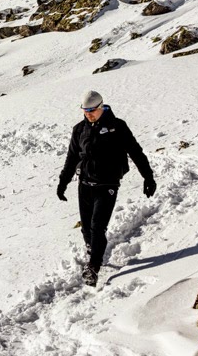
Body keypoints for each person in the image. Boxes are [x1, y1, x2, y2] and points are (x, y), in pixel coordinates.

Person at [56, 90, 156, 286]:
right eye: (85, 111)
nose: (88, 114)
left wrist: (148, 177)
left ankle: (93, 267)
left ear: (101, 107)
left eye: (92, 110)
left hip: (107, 185)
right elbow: (72, 158)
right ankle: (93, 250)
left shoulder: (117, 127)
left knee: (97, 226)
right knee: (86, 229)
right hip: (84, 184)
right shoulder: (79, 130)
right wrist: (62, 182)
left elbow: (136, 152)